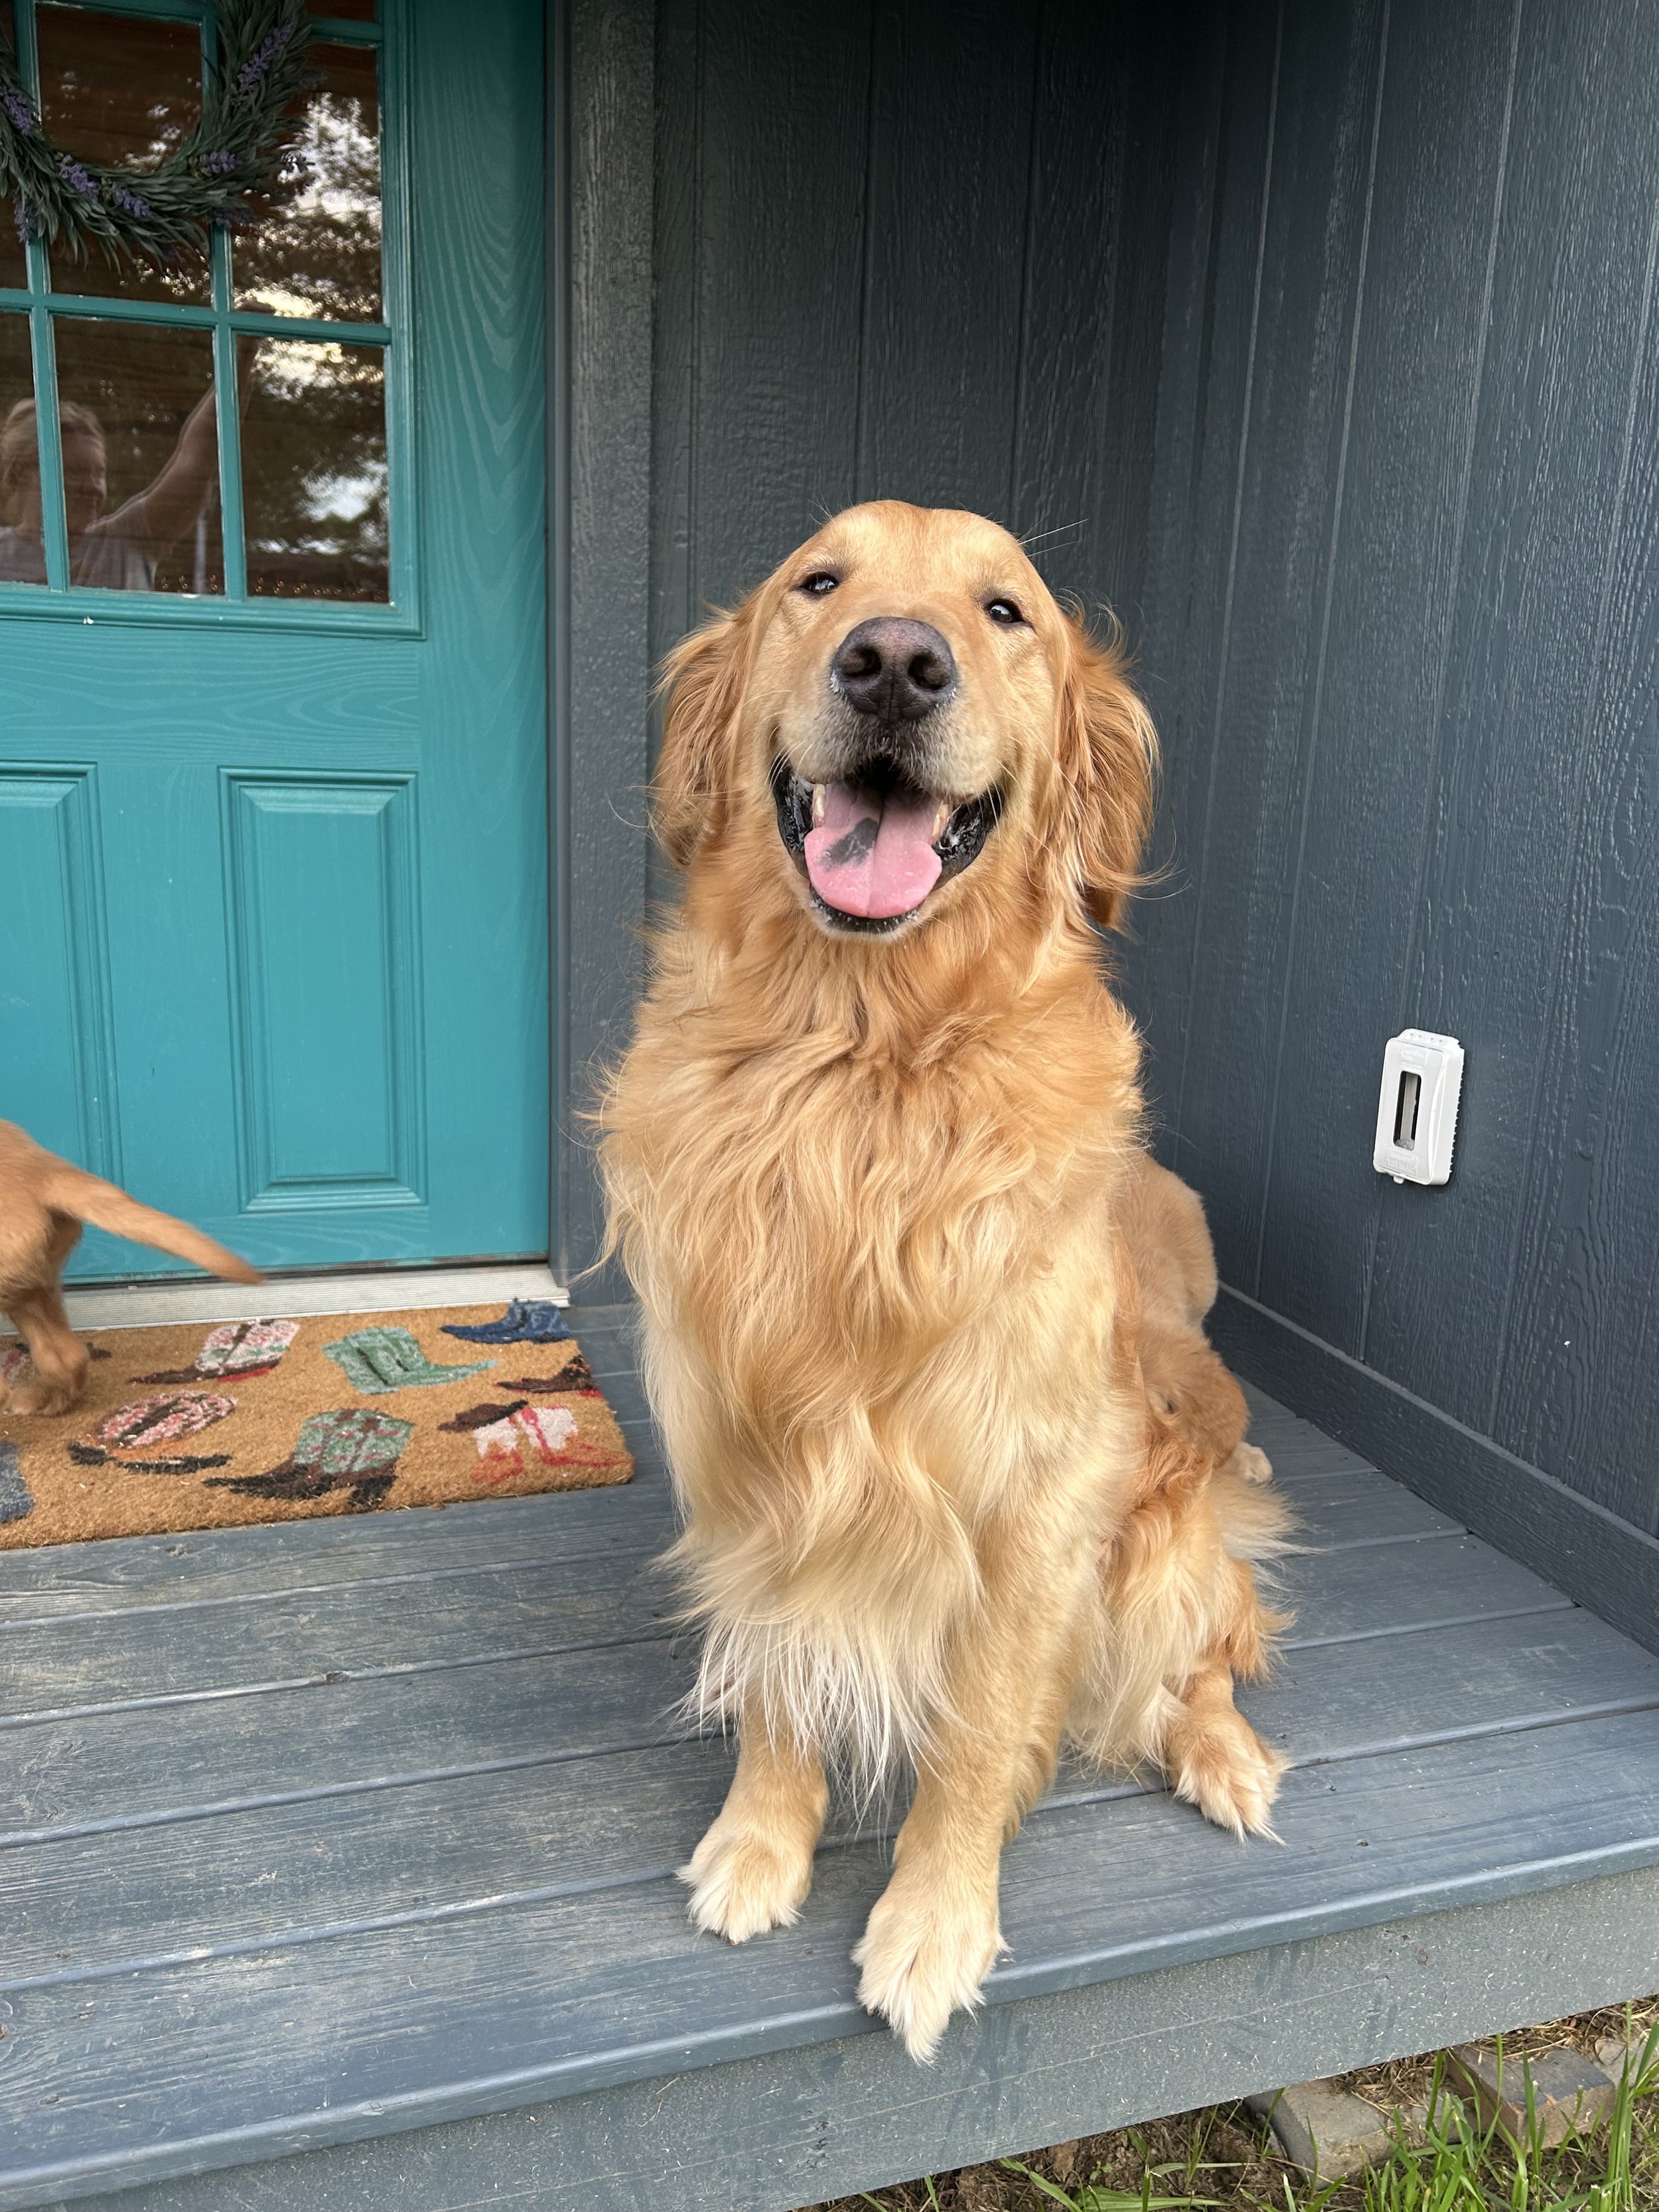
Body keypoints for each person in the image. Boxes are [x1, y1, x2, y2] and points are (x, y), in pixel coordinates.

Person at [0, 381, 222, 590]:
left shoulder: (126, 540)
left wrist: (242, 356)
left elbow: (196, 462)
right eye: (74, 471)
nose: (92, 488)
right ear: (22, 471)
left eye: (99, 474)